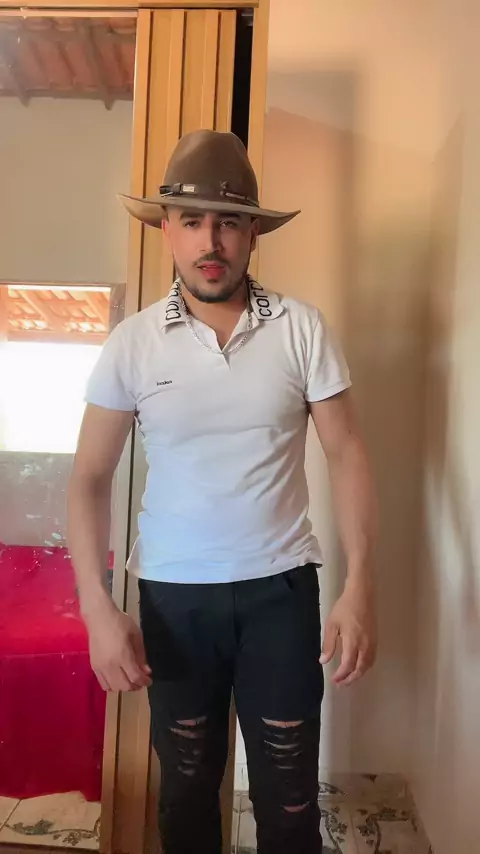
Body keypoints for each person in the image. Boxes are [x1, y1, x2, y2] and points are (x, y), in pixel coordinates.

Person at [68, 129, 377, 854]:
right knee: (185, 799)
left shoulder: (301, 329)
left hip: (281, 595)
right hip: (175, 599)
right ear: (167, 231)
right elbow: (88, 479)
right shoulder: (133, 343)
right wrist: (96, 607)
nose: (211, 241)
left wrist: (362, 584)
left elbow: (347, 453)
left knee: (290, 802)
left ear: (252, 234)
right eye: (193, 220)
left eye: (229, 221)